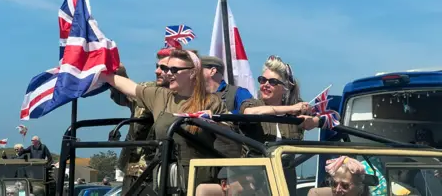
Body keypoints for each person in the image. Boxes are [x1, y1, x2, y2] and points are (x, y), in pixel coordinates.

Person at [102, 49, 229, 188]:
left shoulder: (212, 102)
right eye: (167, 69)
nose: (168, 73)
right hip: (165, 180)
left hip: (199, 179)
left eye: (174, 69)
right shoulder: (160, 96)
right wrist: (103, 72)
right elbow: (130, 87)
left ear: (193, 72)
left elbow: (229, 143)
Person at [237, 55, 319, 195]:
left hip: (285, 181)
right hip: (254, 182)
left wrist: (313, 121)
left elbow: (331, 116)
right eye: (263, 80)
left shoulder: (296, 111)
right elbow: (250, 113)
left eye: (273, 82)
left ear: (285, 88)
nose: (266, 84)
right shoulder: (251, 104)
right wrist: (290, 109)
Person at [111, 46, 187, 190]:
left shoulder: (185, 96)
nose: (157, 71)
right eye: (157, 66)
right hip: (134, 168)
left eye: (164, 67)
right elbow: (123, 97)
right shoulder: (147, 88)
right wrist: (119, 72)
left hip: (166, 169)